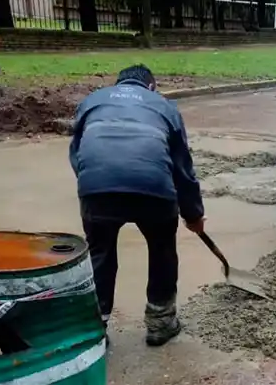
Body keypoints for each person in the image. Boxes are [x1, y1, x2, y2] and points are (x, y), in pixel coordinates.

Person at [69, 64, 205, 347]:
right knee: (162, 250)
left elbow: (78, 154)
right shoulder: (165, 107)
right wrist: (193, 214)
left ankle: (94, 331)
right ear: (152, 87)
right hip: (153, 188)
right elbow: (182, 169)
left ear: (118, 84)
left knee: (100, 254)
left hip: (97, 188)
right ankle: (160, 323)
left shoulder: (92, 101)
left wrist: (94, 187)